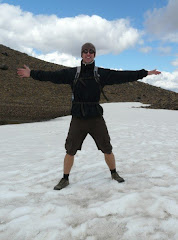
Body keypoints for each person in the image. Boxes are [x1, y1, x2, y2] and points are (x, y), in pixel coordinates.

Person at [17, 42, 161, 190]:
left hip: (96, 118)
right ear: (81, 54)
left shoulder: (101, 73)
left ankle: (114, 173)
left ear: (94, 54)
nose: (88, 53)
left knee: (107, 148)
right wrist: (31, 73)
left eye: (91, 51)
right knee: (70, 150)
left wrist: (145, 73)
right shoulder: (73, 73)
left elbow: (123, 76)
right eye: (85, 51)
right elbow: (52, 76)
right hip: (78, 118)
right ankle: (65, 178)